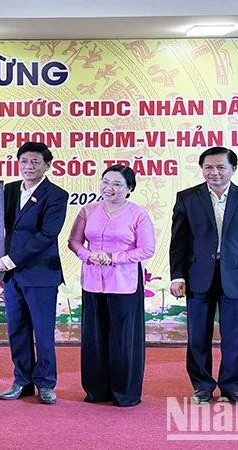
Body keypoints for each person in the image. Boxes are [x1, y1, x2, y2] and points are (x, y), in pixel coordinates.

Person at [170, 146, 238, 406]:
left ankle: (232, 387)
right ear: (202, 169)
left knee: (235, 336)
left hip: (237, 277)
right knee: (198, 336)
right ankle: (201, 386)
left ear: (233, 170)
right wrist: (177, 275)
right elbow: (178, 242)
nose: (214, 172)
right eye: (208, 167)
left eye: (220, 167)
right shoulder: (187, 198)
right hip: (197, 276)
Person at [68, 164, 155, 407]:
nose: (110, 188)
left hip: (124, 283)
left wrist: (113, 258)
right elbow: (74, 241)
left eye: (117, 184)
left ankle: (125, 393)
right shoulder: (88, 210)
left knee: (123, 339)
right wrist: (87, 255)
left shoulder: (138, 214)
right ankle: (96, 390)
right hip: (93, 281)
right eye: (106, 182)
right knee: (94, 338)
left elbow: (147, 249)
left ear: (129, 189)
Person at [0, 141, 69, 405]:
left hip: (40, 275)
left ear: (48, 165)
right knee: (17, 331)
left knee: (43, 332)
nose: (28, 166)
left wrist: (12, 260)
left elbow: (47, 234)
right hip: (12, 276)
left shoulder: (56, 195)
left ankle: (46, 384)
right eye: (24, 161)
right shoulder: (7, 191)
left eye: (35, 161)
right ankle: (21, 381)